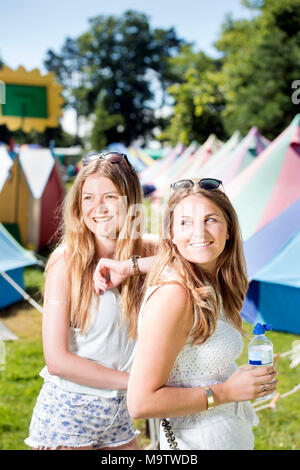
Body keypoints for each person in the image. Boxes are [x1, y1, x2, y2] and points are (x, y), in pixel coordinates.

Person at [127, 178, 278, 450]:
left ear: (229, 229)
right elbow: (140, 402)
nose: (198, 232)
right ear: (171, 233)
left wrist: (246, 382)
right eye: (185, 222)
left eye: (210, 219)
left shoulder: (212, 283)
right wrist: (229, 391)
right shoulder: (175, 295)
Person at [25, 151, 156, 450]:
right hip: (69, 416)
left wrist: (130, 266)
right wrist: (139, 382)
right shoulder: (66, 261)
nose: (98, 208)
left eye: (110, 197)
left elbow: (195, 258)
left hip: (119, 417)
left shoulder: (146, 252)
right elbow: (57, 362)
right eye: (88, 198)